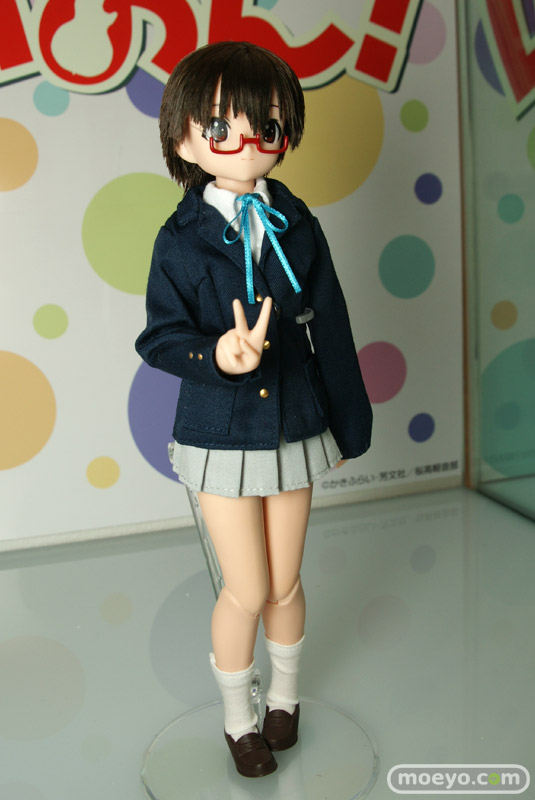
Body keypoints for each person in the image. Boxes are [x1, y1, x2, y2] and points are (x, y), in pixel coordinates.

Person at [135, 40, 372, 778]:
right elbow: (159, 336)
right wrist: (218, 355)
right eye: (219, 128)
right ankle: (239, 720)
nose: (246, 143)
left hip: (294, 422)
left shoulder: (296, 222)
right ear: (183, 142)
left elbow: (331, 323)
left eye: (265, 127)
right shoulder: (179, 241)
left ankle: (285, 701)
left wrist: (347, 421)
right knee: (245, 587)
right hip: (220, 430)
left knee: (286, 582)